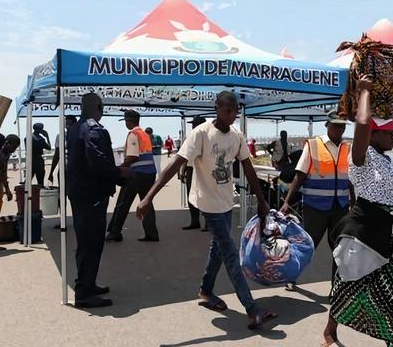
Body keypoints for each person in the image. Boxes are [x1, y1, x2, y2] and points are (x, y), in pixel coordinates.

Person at [136, 91, 278, 330]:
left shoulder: (237, 136)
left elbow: (249, 169)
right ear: (217, 108)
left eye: (235, 111)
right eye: (227, 111)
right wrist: (149, 196)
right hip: (206, 202)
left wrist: (263, 201)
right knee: (230, 251)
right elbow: (174, 165)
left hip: (224, 202)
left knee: (218, 250)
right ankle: (252, 309)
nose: (232, 116)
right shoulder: (201, 133)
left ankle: (205, 291)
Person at [322, 75, 393, 347]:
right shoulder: (359, 158)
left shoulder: (383, 160)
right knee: (354, 285)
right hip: (370, 232)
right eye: (388, 132)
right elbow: (361, 123)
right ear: (373, 133)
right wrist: (364, 92)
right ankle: (331, 331)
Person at [66, 93, 131, 308]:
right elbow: (97, 160)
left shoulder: (75, 127)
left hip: (80, 192)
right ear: (100, 107)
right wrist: (118, 173)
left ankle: (87, 283)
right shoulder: (93, 128)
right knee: (91, 243)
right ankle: (84, 293)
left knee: (87, 242)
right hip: (91, 194)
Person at [280, 111, 353, 291]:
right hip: (315, 207)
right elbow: (300, 176)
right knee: (307, 245)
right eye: (335, 125)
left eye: (342, 125)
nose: (339, 129)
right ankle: (291, 276)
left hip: (340, 207)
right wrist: (287, 202)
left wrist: (354, 203)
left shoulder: (347, 148)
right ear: (327, 125)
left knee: (340, 248)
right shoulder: (313, 145)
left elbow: (350, 179)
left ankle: (337, 287)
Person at [106, 110, 159, 242]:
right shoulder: (145, 135)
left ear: (128, 121)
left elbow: (133, 157)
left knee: (123, 203)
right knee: (146, 203)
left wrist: (120, 168)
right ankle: (152, 234)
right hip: (150, 173)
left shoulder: (133, 134)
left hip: (137, 174)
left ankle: (115, 233)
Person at [181, 116, 207, 231]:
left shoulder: (209, 136)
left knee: (204, 196)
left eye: (194, 124)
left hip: (203, 169)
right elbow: (185, 154)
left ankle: (208, 222)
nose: (192, 126)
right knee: (191, 196)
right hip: (191, 168)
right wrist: (183, 169)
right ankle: (194, 221)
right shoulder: (191, 136)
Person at [48, 115, 77, 185]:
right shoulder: (60, 136)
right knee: (62, 191)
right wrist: (51, 172)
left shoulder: (80, 135)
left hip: (77, 169)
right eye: (66, 124)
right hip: (64, 169)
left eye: (70, 124)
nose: (68, 126)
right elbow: (57, 155)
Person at [30, 122, 51, 187]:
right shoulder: (40, 139)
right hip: (38, 160)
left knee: (28, 180)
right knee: (40, 182)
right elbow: (49, 147)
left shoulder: (28, 137)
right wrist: (47, 137)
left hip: (30, 160)